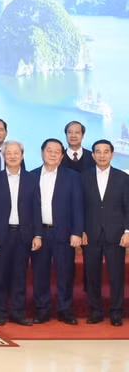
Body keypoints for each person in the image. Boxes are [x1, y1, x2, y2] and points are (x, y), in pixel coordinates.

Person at [0, 141, 41, 326]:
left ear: (22, 156)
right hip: (1, 235)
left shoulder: (32, 179)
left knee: (19, 276)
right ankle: (0, 313)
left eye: (16, 153)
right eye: (9, 153)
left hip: (23, 235)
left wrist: (38, 234)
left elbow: (36, 209)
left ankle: (18, 312)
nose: (13, 156)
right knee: (0, 275)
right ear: (3, 156)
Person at [30, 138, 83, 325]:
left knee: (65, 272)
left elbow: (78, 207)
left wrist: (77, 232)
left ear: (62, 156)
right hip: (39, 234)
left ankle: (65, 309)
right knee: (40, 273)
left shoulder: (72, 177)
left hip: (64, 233)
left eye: (57, 151)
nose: (52, 154)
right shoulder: (32, 176)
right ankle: (42, 310)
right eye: (49, 150)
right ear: (42, 152)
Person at [81, 139, 129, 326]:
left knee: (116, 275)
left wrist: (127, 231)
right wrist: (81, 230)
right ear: (92, 155)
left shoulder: (123, 178)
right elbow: (79, 207)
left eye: (106, 151)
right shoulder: (83, 177)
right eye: (98, 152)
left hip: (115, 234)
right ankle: (96, 311)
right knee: (92, 274)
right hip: (90, 233)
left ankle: (116, 312)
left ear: (112, 154)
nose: (102, 155)